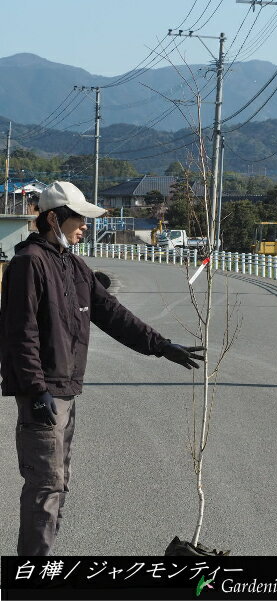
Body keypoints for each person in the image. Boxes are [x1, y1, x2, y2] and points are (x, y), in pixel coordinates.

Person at [0, 181, 204, 556]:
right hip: (42, 395)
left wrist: (161, 346)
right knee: (45, 487)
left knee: (58, 485)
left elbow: (112, 314)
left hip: (65, 392)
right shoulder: (29, 263)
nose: (86, 226)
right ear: (52, 218)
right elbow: (19, 332)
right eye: (79, 218)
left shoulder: (73, 265)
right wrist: (34, 388)